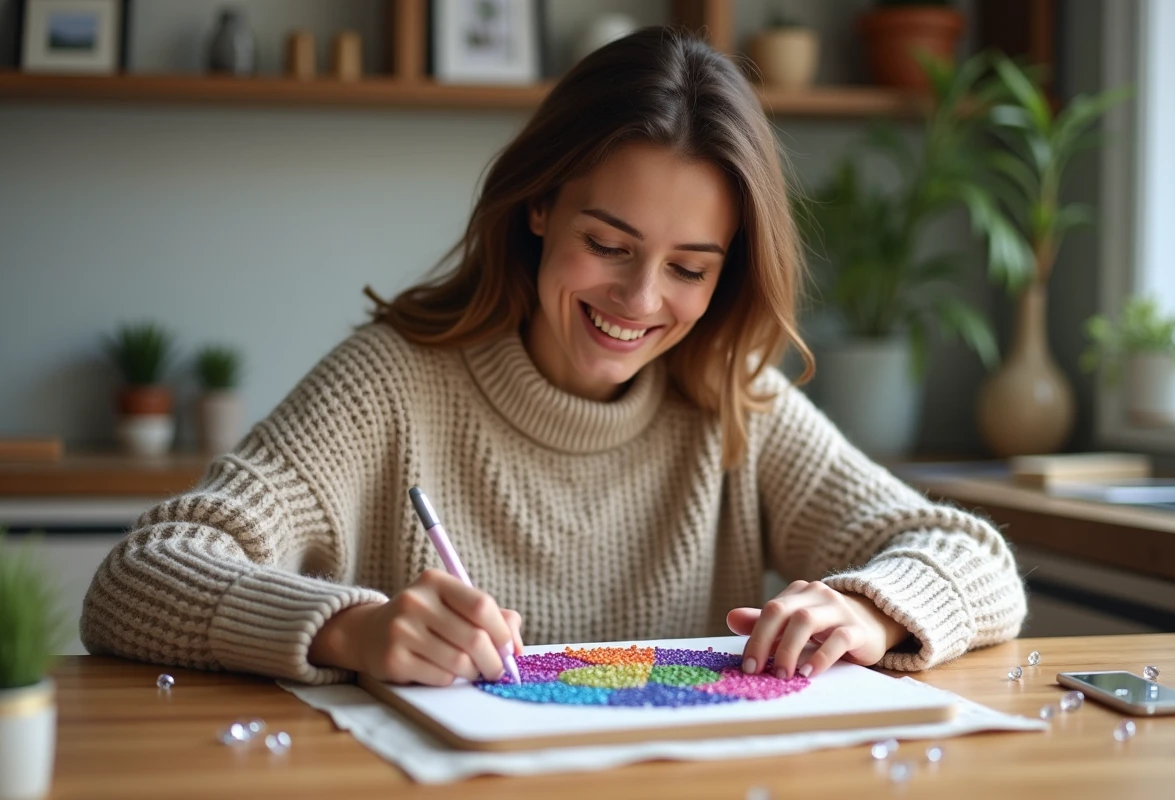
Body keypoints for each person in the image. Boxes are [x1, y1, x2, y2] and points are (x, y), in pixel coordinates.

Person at [81, 27, 1025, 687]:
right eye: (609, 246)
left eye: (690, 269)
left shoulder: (732, 398)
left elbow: (972, 559)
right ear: (539, 206)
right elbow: (142, 575)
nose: (640, 301)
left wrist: (870, 611)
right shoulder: (389, 384)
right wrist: (352, 627)